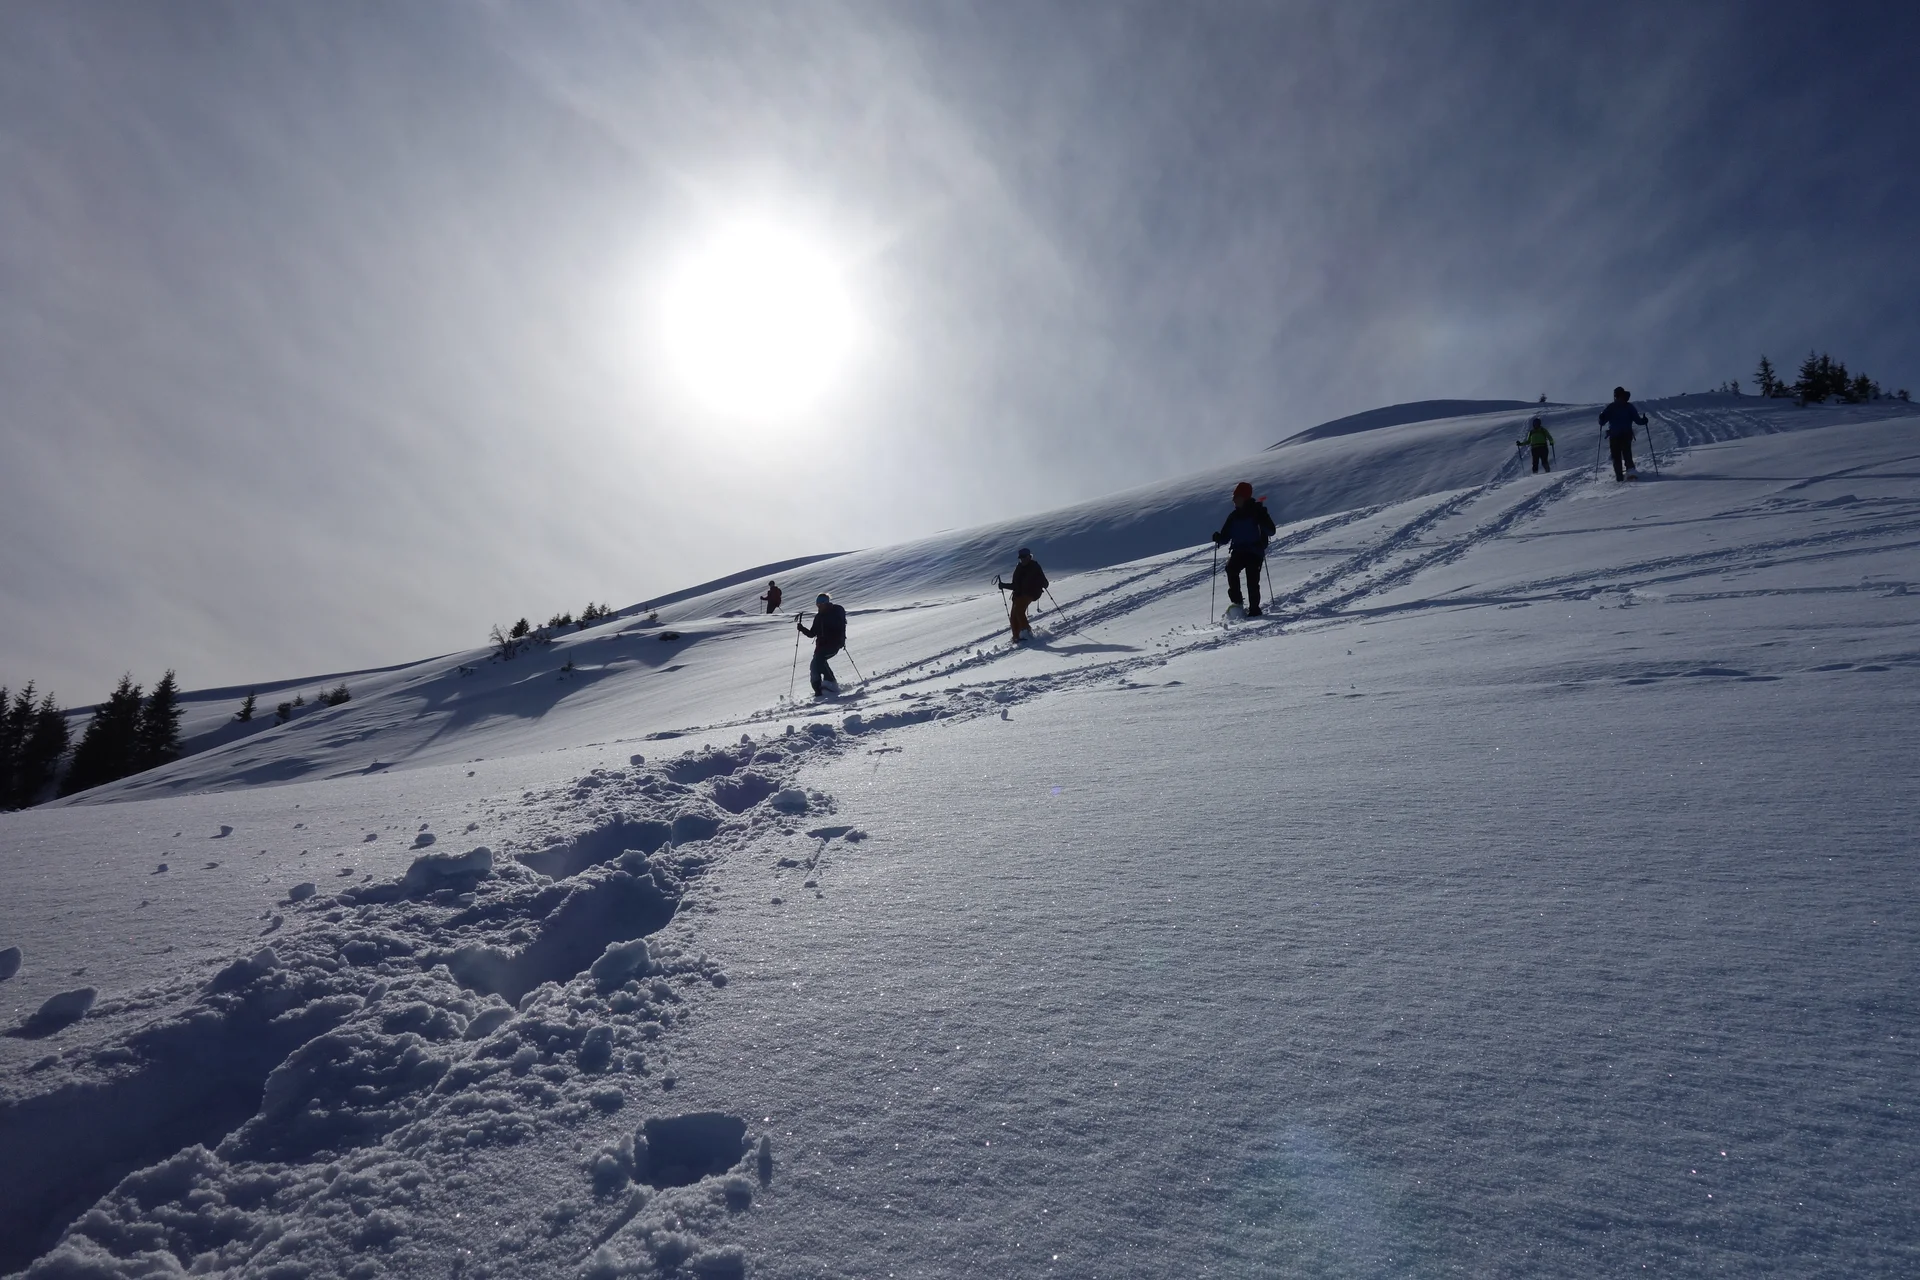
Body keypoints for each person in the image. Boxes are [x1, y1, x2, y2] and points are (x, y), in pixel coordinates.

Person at [1211, 481, 1278, 617]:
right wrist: (1218, 537)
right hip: (1239, 551)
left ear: (1245, 498)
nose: (1235, 501)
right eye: (1234, 499)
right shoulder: (1233, 517)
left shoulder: (1257, 511)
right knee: (1231, 569)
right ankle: (1237, 604)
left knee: (1252, 580)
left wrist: (1262, 519)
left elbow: (1271, 531)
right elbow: (1225, 537)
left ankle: (1254, 610)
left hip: (1255, 551)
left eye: (1237, 498)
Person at [796, 592, 848, 696]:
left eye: (821, 602)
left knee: (818, 661)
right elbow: (812, 634)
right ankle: (819, 689)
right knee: (815, 665)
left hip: (833, 645)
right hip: (821, 646)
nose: (818, 605)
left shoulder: (834, 613)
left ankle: (830, 684)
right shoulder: (819, 617)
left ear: (826, 602)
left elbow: (838, 629)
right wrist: (802, 629)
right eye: (817, 603)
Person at [995, 548, 1049, 644]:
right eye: (1021, 558)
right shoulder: (1019, 568)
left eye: (1024, 558)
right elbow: (1015, 585)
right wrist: (1003, 585)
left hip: (1031, 593)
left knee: (1019, 611)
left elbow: (1045, 581)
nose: (1022, 560)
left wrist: (1043, 584)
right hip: (1018, 594)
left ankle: (1026, 633)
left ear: (1029, 556)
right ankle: (1017, 637)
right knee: (1013, 616)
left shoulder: (1034, 566)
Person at [1597, 386, 1648, 481]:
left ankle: (1622, 476)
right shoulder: (1628, 407)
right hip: (1624, 434)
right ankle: (1628, 474)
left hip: (1616, 435)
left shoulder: (1612, 407)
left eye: (1617, 396)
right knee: (1625, 454)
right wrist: (1643, 421)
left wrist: (1601, 417)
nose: (1617, 398)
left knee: (1619, 456)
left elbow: (1602, 422)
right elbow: (1638, 420)